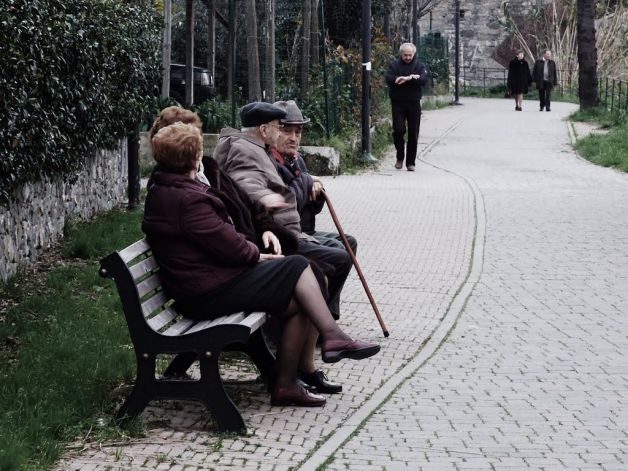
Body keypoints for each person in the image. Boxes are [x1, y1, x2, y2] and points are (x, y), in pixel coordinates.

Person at [143, 122, 380, 407]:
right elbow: (229, 245)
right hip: (205, 292)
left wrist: (256, 250)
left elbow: (224, 239)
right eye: (198, 152)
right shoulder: (187, 199)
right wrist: (257, 255)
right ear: (192, 157)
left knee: (302, 293)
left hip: (208, 281)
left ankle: (287, 384)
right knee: (297, 267)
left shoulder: (174, 189)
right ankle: (332, 337)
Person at [214, 102, 355, 323]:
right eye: (280, 128)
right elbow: (245, 181)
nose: (287, 135)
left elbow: (301, 203)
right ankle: (319, 323)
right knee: (338, 258)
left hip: (285, 232)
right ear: (264, 130)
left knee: (343, 249)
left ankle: (323, 324)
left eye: (296, 131)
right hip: (275, 238)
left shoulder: (265, 149)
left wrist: (311, 190)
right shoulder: (246, 149)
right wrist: (265, 197)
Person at [270, 99, 359, 394]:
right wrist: (307, 182)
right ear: (273, 131)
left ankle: (326, 318)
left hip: (305, 231)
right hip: (290, 237)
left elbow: (309, 207)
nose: (294, 138)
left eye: (298, 132)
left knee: (348, 243)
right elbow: (289, 200)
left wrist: (315, 192)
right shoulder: (272, 162)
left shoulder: (296, 160)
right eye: (288, 131)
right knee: (338, 257)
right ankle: (326, 324)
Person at [385, 42, 428, 172]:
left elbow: (423, 80)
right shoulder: (394, 65)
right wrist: (404, 78)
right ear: (401, 54)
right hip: (398, 103)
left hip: (414, 103)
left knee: (413, 133)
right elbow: (389, 79)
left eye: (410, 55)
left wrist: (408, 78)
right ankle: (400, 156)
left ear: (414, 54)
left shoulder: (419, 66)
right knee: (399, 130)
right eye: (405, 55)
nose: (408, 57)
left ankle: (410, 162)